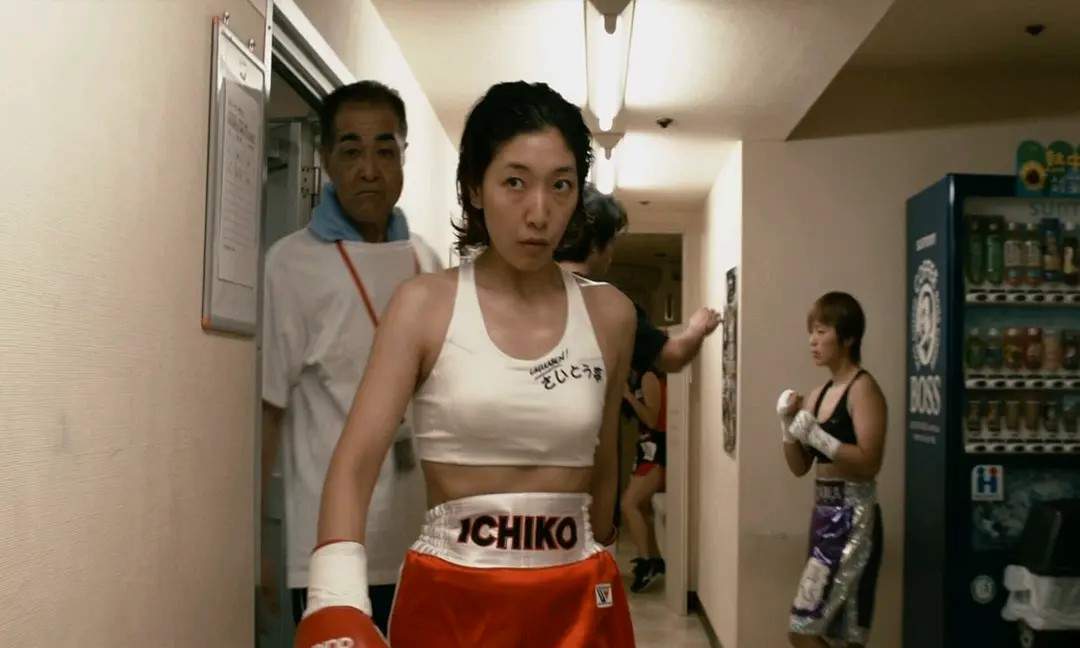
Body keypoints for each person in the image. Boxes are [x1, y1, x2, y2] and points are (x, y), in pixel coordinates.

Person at [293, 81, 638, 648]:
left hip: (576, 600)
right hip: (452, 600)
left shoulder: (611, 314)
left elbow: (604, 470)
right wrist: (335, 601)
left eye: (560, 185)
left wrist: (605, 560)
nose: (539, 212)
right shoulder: (423, 306)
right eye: (514, 182)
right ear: (475, 187)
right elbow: (353, 465)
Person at [260, 80, 438, 634]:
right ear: (326, 158)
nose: (369, 170)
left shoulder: (426, 260)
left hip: (421, 544)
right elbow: (268, 410)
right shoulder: (290, 265)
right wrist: (256, 543)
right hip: (329, 547)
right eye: (351, 150)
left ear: (404, 155)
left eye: (385, 151)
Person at [775, 292, 887, 648]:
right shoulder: (817, 394)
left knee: (806, 629)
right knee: (836, 635)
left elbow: (870, 462)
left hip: (855, 518)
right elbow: (800, 467)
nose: (813, 340)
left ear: (848, 337)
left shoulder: (863, 389)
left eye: (821, 331)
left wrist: (819, 437)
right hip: (824, 516)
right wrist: (787, 427)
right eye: (811, 331)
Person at [554, 185, 721, 376]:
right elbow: (673, 356)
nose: (611, 254)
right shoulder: (610, 304)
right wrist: (697, 328)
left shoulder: (529, 291)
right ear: (594, 245)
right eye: (610, 243)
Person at [620, 368, 667, 592]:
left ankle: (647, 561)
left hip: (656, 451)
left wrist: (629, 396)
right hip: (647, 449)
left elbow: (652, 419)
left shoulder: (648, 376)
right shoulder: (638, 377)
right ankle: (654, 558)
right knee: (642, 507)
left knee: (629, 504)